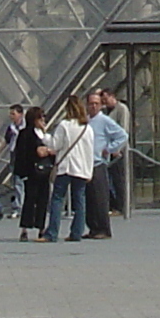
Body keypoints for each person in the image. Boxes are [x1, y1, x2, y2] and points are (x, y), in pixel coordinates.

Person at [47, 96, 94, 242]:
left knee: (57, 199)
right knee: (79, 200)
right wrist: (89, 171)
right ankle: (76, 233)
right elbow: (89, 151)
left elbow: (55, 145)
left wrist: (44, 136)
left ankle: (52, 233)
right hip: (81, 168)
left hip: (66, 166)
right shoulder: (87, 128)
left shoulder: (64, 125)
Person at [85, 90, 127, 238]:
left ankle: (104, 229)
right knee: (89, 198)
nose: (93, 106)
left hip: (98, 163)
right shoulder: (85, 120)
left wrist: (109, 149)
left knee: (100, 197)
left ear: (101, 105)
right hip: (86, 163)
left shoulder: (105, 121)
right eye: (91, 104)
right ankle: (93, 227)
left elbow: (122, 135)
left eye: (96, 104)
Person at [12, 106, 52, 241]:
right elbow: (22, 153)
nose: (43, 120)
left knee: (43, 199)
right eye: (40, 117)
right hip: (31, 170)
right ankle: (25, 227)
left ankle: (41, 226)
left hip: (44, 171)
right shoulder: (25, 133)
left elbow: (52, 147)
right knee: (30, 199)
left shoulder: (44, 134)